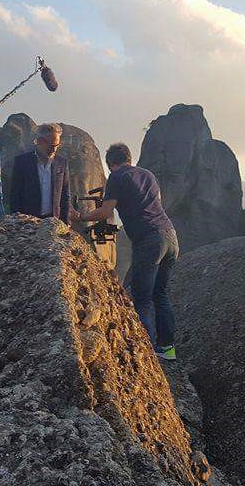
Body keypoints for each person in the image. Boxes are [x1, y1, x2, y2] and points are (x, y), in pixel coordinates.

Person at [72, 142, 179, 361]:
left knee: (142, 297)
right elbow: (156, 203)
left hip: (149, 240)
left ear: (111, 163)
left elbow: (105, 211)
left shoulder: (117, 177)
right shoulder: (148, 174)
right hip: (170, 236)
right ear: (129, 158)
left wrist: (80, 217)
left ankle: (147, 353)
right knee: (160, 294)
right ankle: (167, 349)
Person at [7, 122, 71, 223]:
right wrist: (17, 220)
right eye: (51, 145)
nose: (54, 149)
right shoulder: (22, 162)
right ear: (39, 141)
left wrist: (66, 222)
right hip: (27, 221)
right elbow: (15, 194)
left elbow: (65, 194)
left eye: (57, 145)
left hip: (53, 220)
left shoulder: (61, 162)